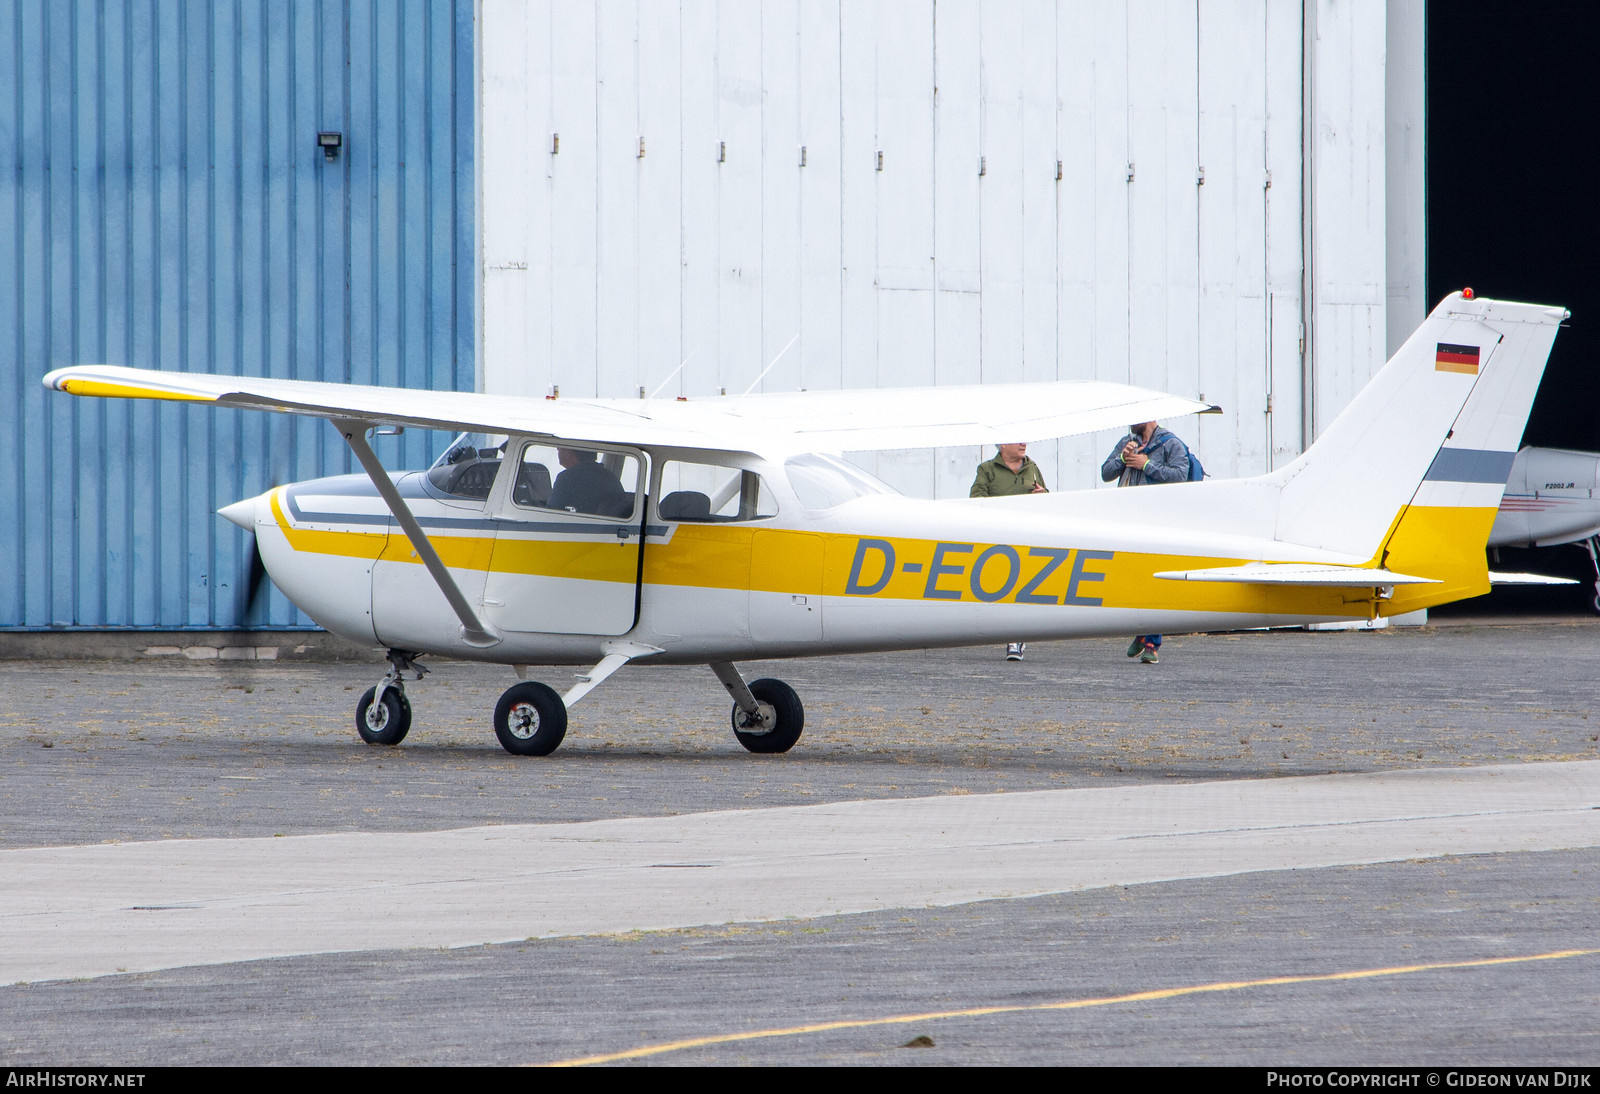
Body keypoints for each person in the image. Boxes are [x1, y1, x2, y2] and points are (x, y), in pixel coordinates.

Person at [1100, 421, 1191, 664]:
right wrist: (1123, 458)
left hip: (1158, 524)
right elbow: (1106, 473)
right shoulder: (1126, 442)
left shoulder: (1171, 443)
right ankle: (1142, 632)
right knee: (1132, 579)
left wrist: (1147, 465)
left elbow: (1180, 476)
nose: (1130, 421)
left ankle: (1152, 642)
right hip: (1128, 523)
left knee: (1154, 581)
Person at [971, 442, 1047, 661]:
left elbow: (1048, 499)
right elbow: (976, 500)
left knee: (1023, 589)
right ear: (1003, 444)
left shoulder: (1032, 468)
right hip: (999, 542)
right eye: (1017, 439)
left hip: (1028, 541)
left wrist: (1043, 495)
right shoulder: (986, 470)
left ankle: (1016, 639)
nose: (1024, 443)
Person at [547, 447, 629, 516]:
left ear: (569, 453)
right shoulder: (611, 477)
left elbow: (550, 513)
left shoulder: (566, 478)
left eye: (559, 449)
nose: (557, 449)